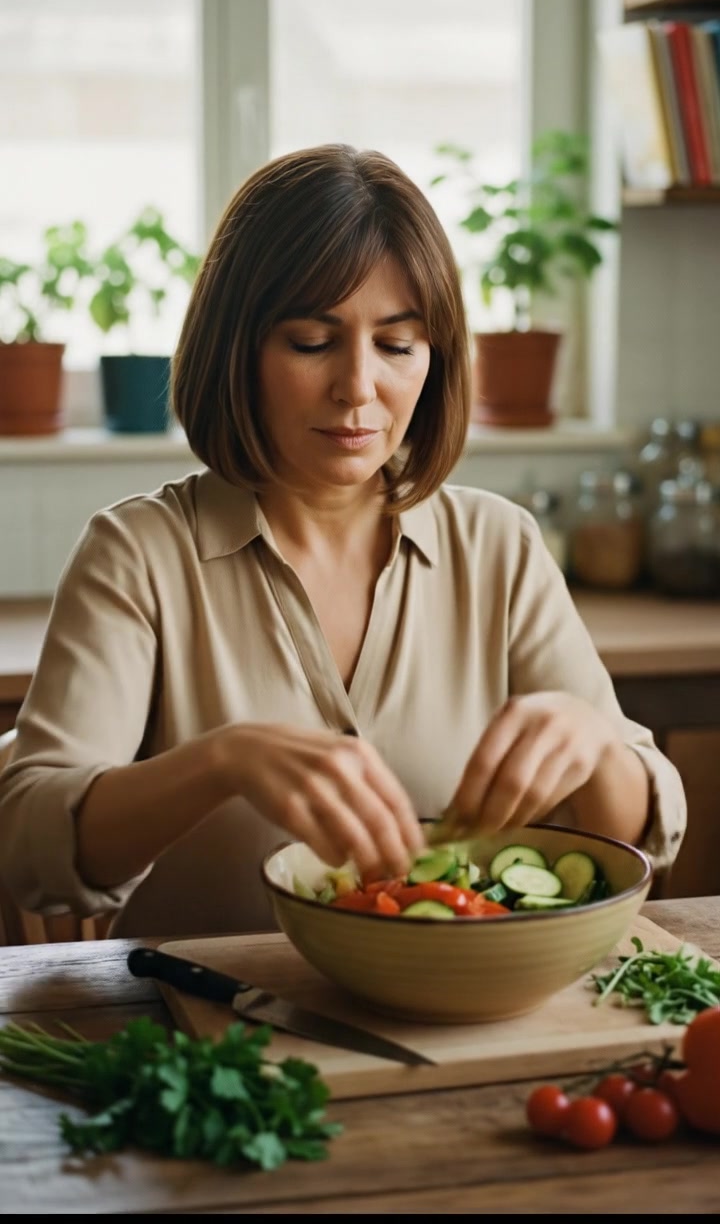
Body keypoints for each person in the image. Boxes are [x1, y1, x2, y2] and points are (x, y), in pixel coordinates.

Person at [0, 143, 686, 939]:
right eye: (311, 342)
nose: (359, 388)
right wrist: (220, 761)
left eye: (397, 345)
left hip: (453, 1028)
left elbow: (636, 830)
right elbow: (25, 841)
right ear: (238, 350)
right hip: (205, 1028)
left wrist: (596, 745)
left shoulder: (499, 546)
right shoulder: (139, 553)